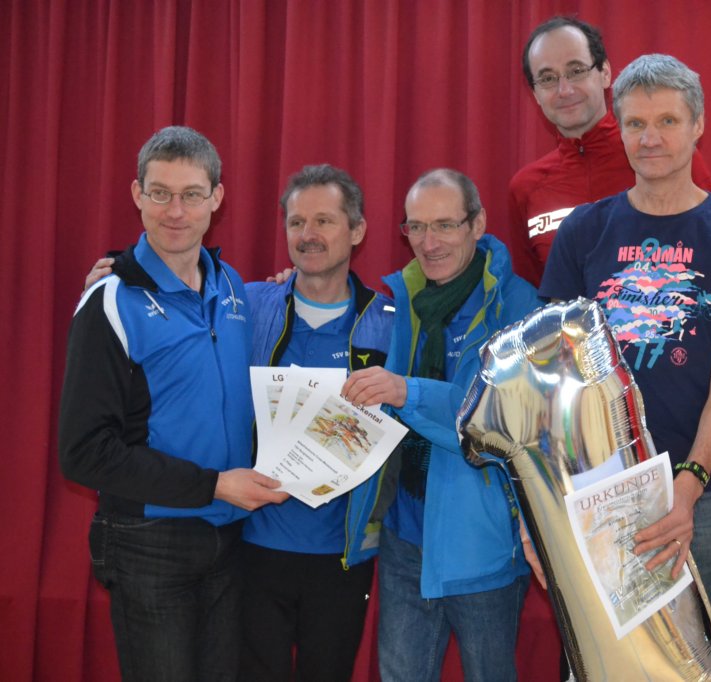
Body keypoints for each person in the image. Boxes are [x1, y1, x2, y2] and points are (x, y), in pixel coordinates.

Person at [539, 54, 711, 630]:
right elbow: (554, 377)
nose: (650, 139)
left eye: (668, 121)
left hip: (697, 489)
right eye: (636, 124)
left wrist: (688, 485)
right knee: (599, 658)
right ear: (619, 130)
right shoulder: (583, 230)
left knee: (696, 657)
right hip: (596, 491)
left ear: (698, 126)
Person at [58, 126, 288, 682]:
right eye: (160, 193)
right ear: (137, 195)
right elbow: (83, 452)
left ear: (217, 198)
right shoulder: (110, 301)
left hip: (229, 539)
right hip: (148, 542)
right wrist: (213, 485)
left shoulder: (231, 287)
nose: (176, 211)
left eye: (191, 194)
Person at [340, 168, 542, 682]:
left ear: (478, 224)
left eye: (445, 225)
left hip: (483, 546)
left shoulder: (518, 305)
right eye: (416, 227)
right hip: (405, 537)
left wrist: (406, 391)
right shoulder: (397, 299)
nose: (429, 243)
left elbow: (497, 419)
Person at [240, 165, 394, 681]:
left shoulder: (390, 323)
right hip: (252, 545)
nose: (308, 234)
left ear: (357, 230)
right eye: (296, 222)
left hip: (342, 555)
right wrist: (111, 280)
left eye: (324, 221)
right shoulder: (249, 306)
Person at [509, 16, 711, 285]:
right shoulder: (526, 189)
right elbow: (533, 295)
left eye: (576, 70)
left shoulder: (662, 155)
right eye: (547, 78)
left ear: (605, 73)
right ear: (535, 93)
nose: (564, 90)